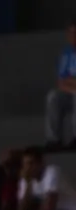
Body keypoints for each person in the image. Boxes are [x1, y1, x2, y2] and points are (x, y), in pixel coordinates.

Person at [45, 22, 76, 151]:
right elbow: (61, 81)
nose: (73, 36)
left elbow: (67, 79)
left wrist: (70, 81)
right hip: (69, 91)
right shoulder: (66, 52)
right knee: (53, 96)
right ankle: (54, 140)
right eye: (71, 33)